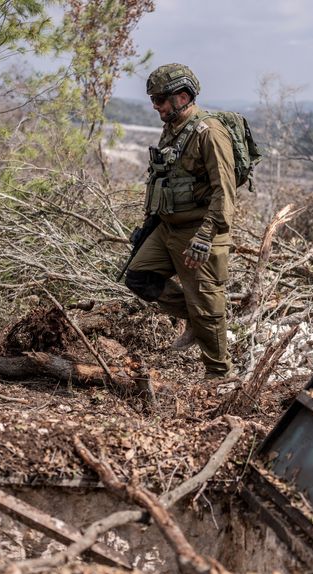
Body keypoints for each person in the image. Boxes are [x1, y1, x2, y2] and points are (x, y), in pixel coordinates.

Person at [124, 63, 237, 379]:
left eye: (160, 99)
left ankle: (220, 375)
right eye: (154, 100)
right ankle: (192, 315)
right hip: (167, 227)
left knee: (207, 305)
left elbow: (224, 192)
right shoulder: (172, 129)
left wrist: (205, 235)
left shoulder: (210, 133)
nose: (156, 106)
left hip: (201, 231)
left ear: (183, 96)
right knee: (139, 276)